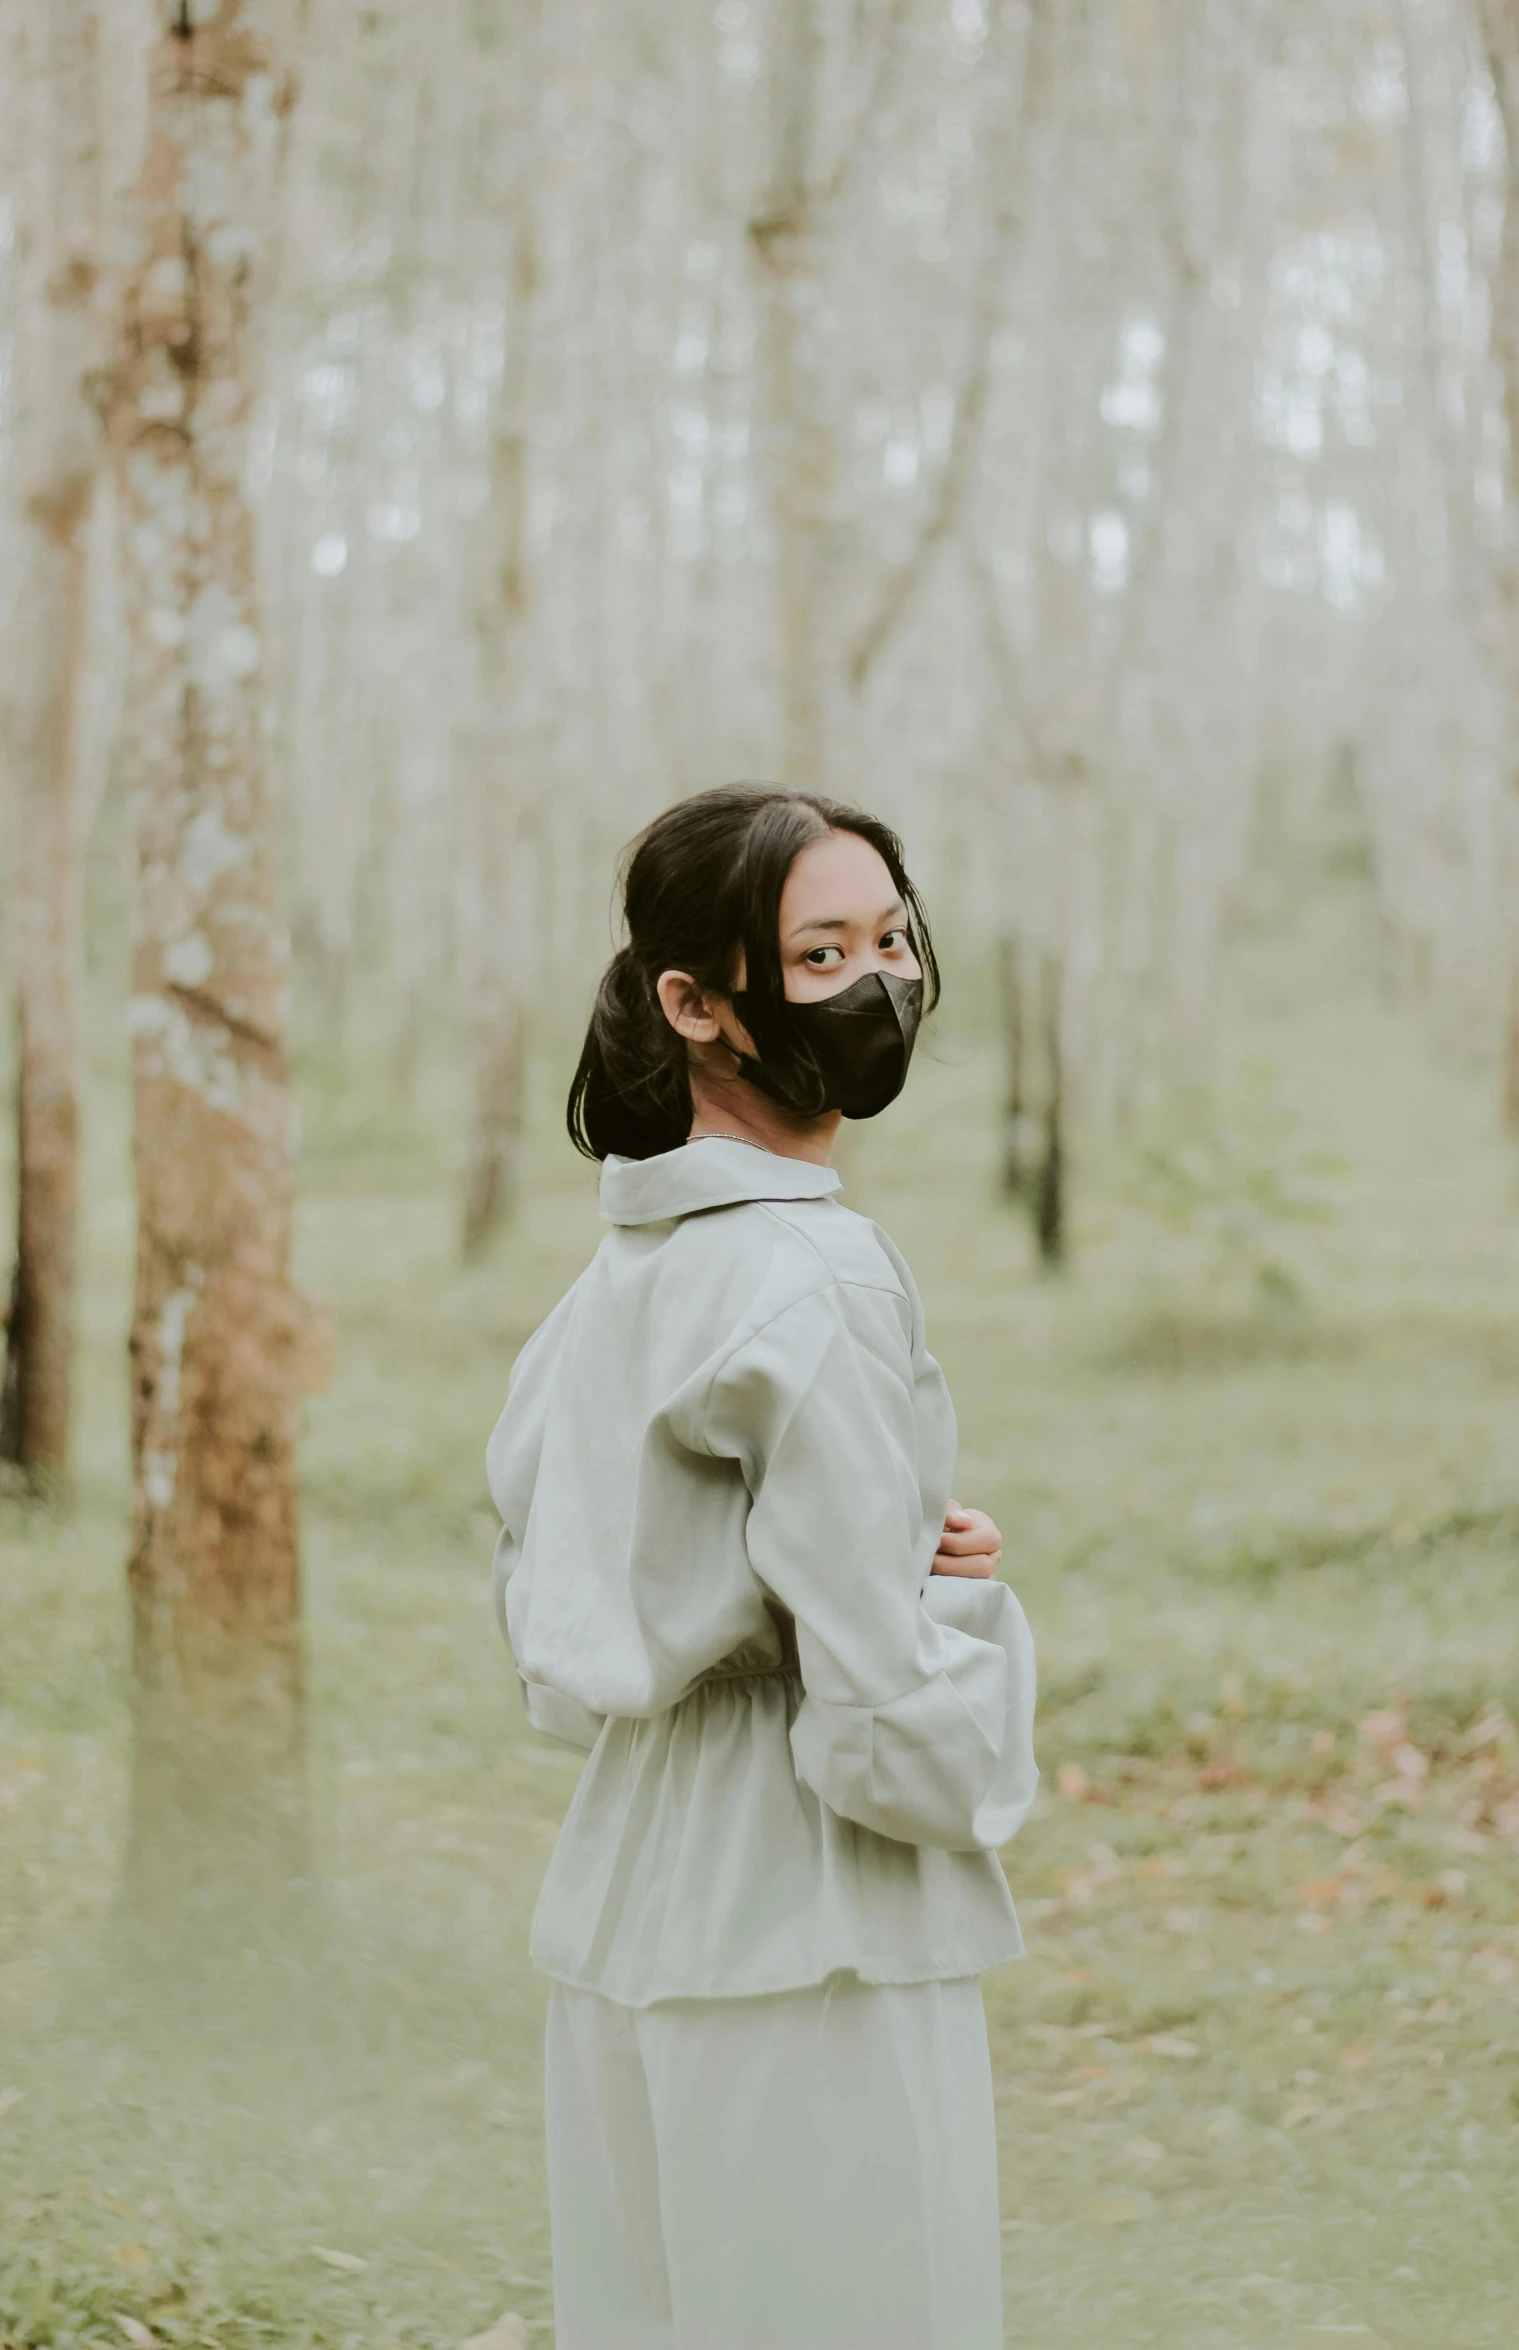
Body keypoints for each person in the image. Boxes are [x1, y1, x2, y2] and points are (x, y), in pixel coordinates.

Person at [485, 784, 1039, 2350]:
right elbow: (874, 1706)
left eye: (891, 939)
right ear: (696, 1000)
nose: (879, 983)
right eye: (820, 953)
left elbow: (554, 1596)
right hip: (812, 1913)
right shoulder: (813, 1268)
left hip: (625, 1894)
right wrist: (956, 1613)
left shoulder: (617, 1277)